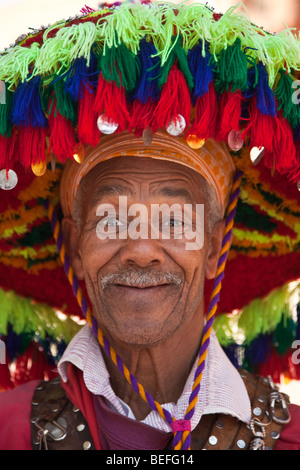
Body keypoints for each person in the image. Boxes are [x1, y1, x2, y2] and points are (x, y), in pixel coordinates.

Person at [0, 1, 299, 451]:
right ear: (73, 246)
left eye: (175, 219)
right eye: (110, 218)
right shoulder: (8, 430)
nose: (142, 248)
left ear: (217, 246)